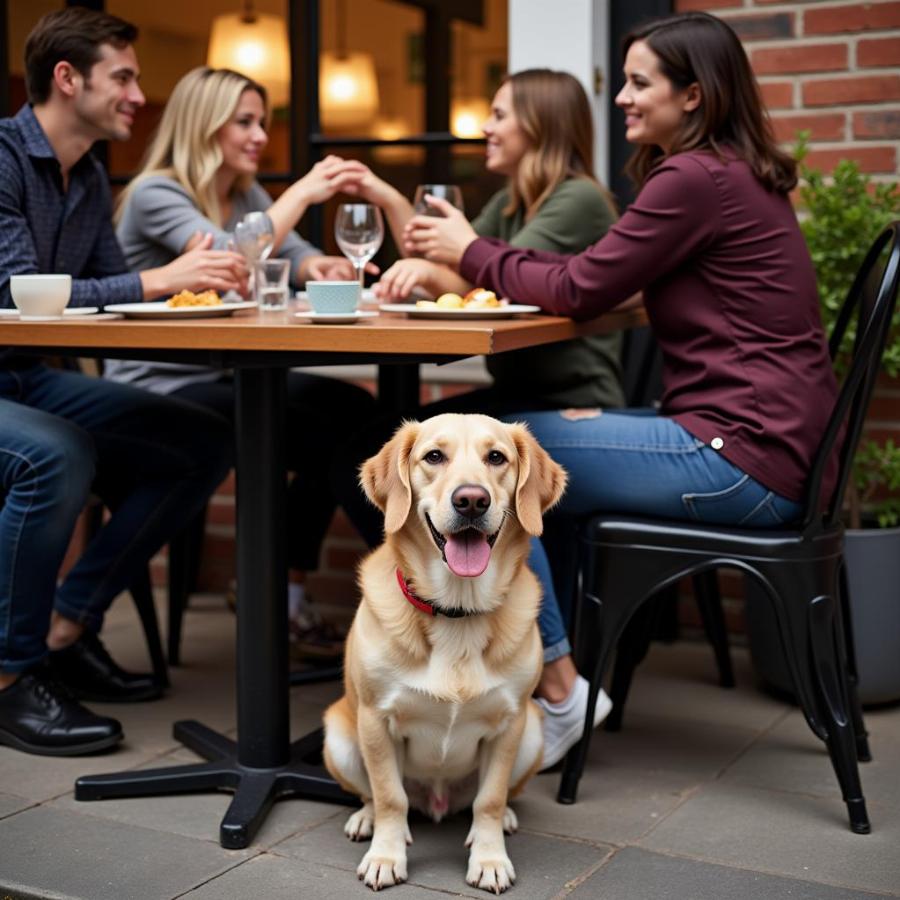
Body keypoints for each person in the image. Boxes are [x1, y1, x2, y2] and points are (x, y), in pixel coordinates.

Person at [402, 10, 837, 759]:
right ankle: (543, 675)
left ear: (694, 96)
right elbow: (608, 284)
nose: (624, 98)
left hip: (741, 457)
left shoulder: (695, 178)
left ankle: (560, 694)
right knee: (516, 444)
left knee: (510, 455)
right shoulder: (727, 176)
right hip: (768, 448)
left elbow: (577, 285)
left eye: (641, 83)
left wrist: (469, 248)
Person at [333, 69, 625, 768]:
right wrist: (386, 206)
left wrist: (441, 269)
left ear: (542, 125)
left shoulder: (578, 201)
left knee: (496, 483)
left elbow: (477, 276)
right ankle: (420, 651)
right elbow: (453, 263)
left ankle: (556, 683)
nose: (486, 128)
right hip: (513, 399)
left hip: (567, 399)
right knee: (373, 446)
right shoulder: (511, 200)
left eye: (499, 115)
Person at [0, 7, 234, 754]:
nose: (138, 94)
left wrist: (183, 285)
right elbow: (14, 290)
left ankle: (68, 625)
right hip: (17, 379)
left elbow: (108, 286)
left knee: (199, 439)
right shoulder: (2, 160)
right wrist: (164, 278)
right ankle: (9, 678)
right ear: (68, 80)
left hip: (27, 375)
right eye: (124, 77)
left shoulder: (90, 173)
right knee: (55, 453)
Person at [107, 67, 378, 655]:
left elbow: (293, 251)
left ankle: (287, 596)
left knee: (354, 416)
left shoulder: (247, 193)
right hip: (158, 388)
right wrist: (302, 193)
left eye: (264, 122)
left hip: (226, 375)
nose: (260, 135)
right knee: (335, 437)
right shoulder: (158, 192)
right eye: (245, 122)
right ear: (206, 125)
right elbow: (236, 258)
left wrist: (319, 268)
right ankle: (409, 595)